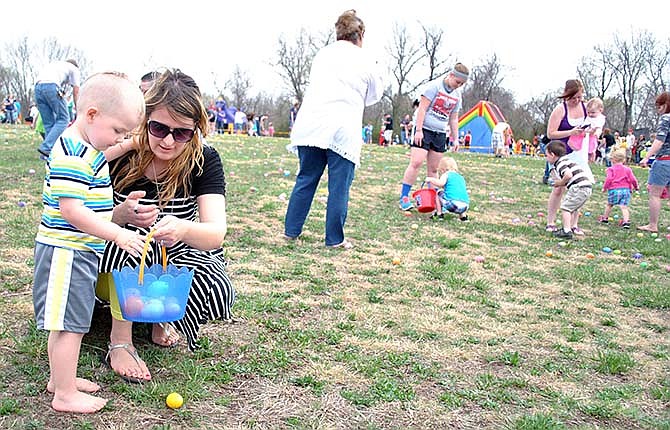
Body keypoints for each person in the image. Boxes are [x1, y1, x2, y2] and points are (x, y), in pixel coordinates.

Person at [97, 69, 236, 383]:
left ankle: (160, 318)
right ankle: (120, 341)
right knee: (133, 245)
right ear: (143, 120)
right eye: (159, 128)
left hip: (173, 251)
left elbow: (216, 233)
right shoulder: (122, 154)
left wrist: (183, 229)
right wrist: (119, 216)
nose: (169, 141)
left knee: (206, 275)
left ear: (196, 130)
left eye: (182, 132)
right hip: (113, 255)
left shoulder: (204, 160)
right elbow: (71, 173)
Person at [32, 72, 146, 413]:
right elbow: (72, 211)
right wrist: (119, 233)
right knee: (71, 327)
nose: (118, 140)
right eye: (117, 132)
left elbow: (93, 187)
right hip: (67, 252)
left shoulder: (85, 146)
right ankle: (64, 394)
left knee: (66, 322)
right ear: (92, 114)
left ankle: (59, 379)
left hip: (75, 252)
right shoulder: (72, 153)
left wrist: (120, 210)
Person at [284, 9, 384, 249]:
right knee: (339, 186)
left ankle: (291, 231)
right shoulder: (366, 59)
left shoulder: (322, 54)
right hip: (342, 127)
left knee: (306, 178)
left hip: (312, 125)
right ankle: (335, 239)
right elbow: (375, 95)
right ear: (360, 34)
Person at [398, 63, 469, 210]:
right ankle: (404, 197)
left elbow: (453, 118)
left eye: (462, 84)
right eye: (458, 82)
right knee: (416, 162)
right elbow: (422, 109)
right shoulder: (434, 87)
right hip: (424, 129)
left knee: (434, 169)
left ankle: (434, 201)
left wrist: (455, 138)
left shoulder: (457, 96)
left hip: (440, 132)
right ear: (451, 75)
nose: (458, 86)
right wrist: (418, 130)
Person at [544, 79, 589, 235]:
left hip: (579, 152)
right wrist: (570, 132)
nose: (576, 101)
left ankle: (573, 223)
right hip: (561, 152)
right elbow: (551, 133)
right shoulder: (560, 110)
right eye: (572, 98)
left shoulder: (585, 108)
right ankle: (551, 221)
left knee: (577, 186)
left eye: (579, 97)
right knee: (559, 188)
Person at [545, 140, 594, 239]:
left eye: (546, 155)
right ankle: (571, 226)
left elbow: (568, 175)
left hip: (578, 187)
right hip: (587, 187)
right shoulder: (567, 160)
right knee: (573, 208)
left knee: (566, 208)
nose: (546, 158)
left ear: (552, 155)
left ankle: (566, 230)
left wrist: (560, 182)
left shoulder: (560, 163)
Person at [34, 59, 81, 158]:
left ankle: (47, 155)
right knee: (64, 119)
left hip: (37, 88)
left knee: (49, 123)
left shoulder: (56, 65)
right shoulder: (74, 69)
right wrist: (78, 108)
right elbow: (76, 91)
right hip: (52, 86)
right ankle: (46, 147)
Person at [638, 91, 670, 233]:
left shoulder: (666, 119)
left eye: (659, 106)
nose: (658, 109)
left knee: (655, 193)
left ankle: (653, 225)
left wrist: (647, 156)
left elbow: (659, 141)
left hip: (664, 161)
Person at [598, 149, 639, 228]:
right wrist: (636, 187)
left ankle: (605, 218)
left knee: (610, 204)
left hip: (614, 190)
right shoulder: (627, 169)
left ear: (612, 160)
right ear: (624, 159)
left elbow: (609, 179)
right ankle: (626, 221)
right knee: (624, 206)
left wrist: (605, 188)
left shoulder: (611, 169)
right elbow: (633, 179)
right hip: (626, 190)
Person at [424, 156, 470, 221]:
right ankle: (463, 217)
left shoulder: (446, 174)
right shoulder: (460, 177)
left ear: (443, 169)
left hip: (453, 204)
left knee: (438, 193)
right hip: (465, 206)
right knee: (459, 196)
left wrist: (431, 179)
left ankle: (439, 214)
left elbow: (440, 183)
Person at [567, 97, 605, 163]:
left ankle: (591, 154)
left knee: (590, 146)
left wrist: (596, 133)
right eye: (588, 112)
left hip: (591, 135)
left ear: (600, 110)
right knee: (575, 142)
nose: (590, 114)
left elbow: (599, 128)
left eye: (593, 112)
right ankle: (576, 151)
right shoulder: (588, 116)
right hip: (583, 132)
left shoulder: (600, 118)